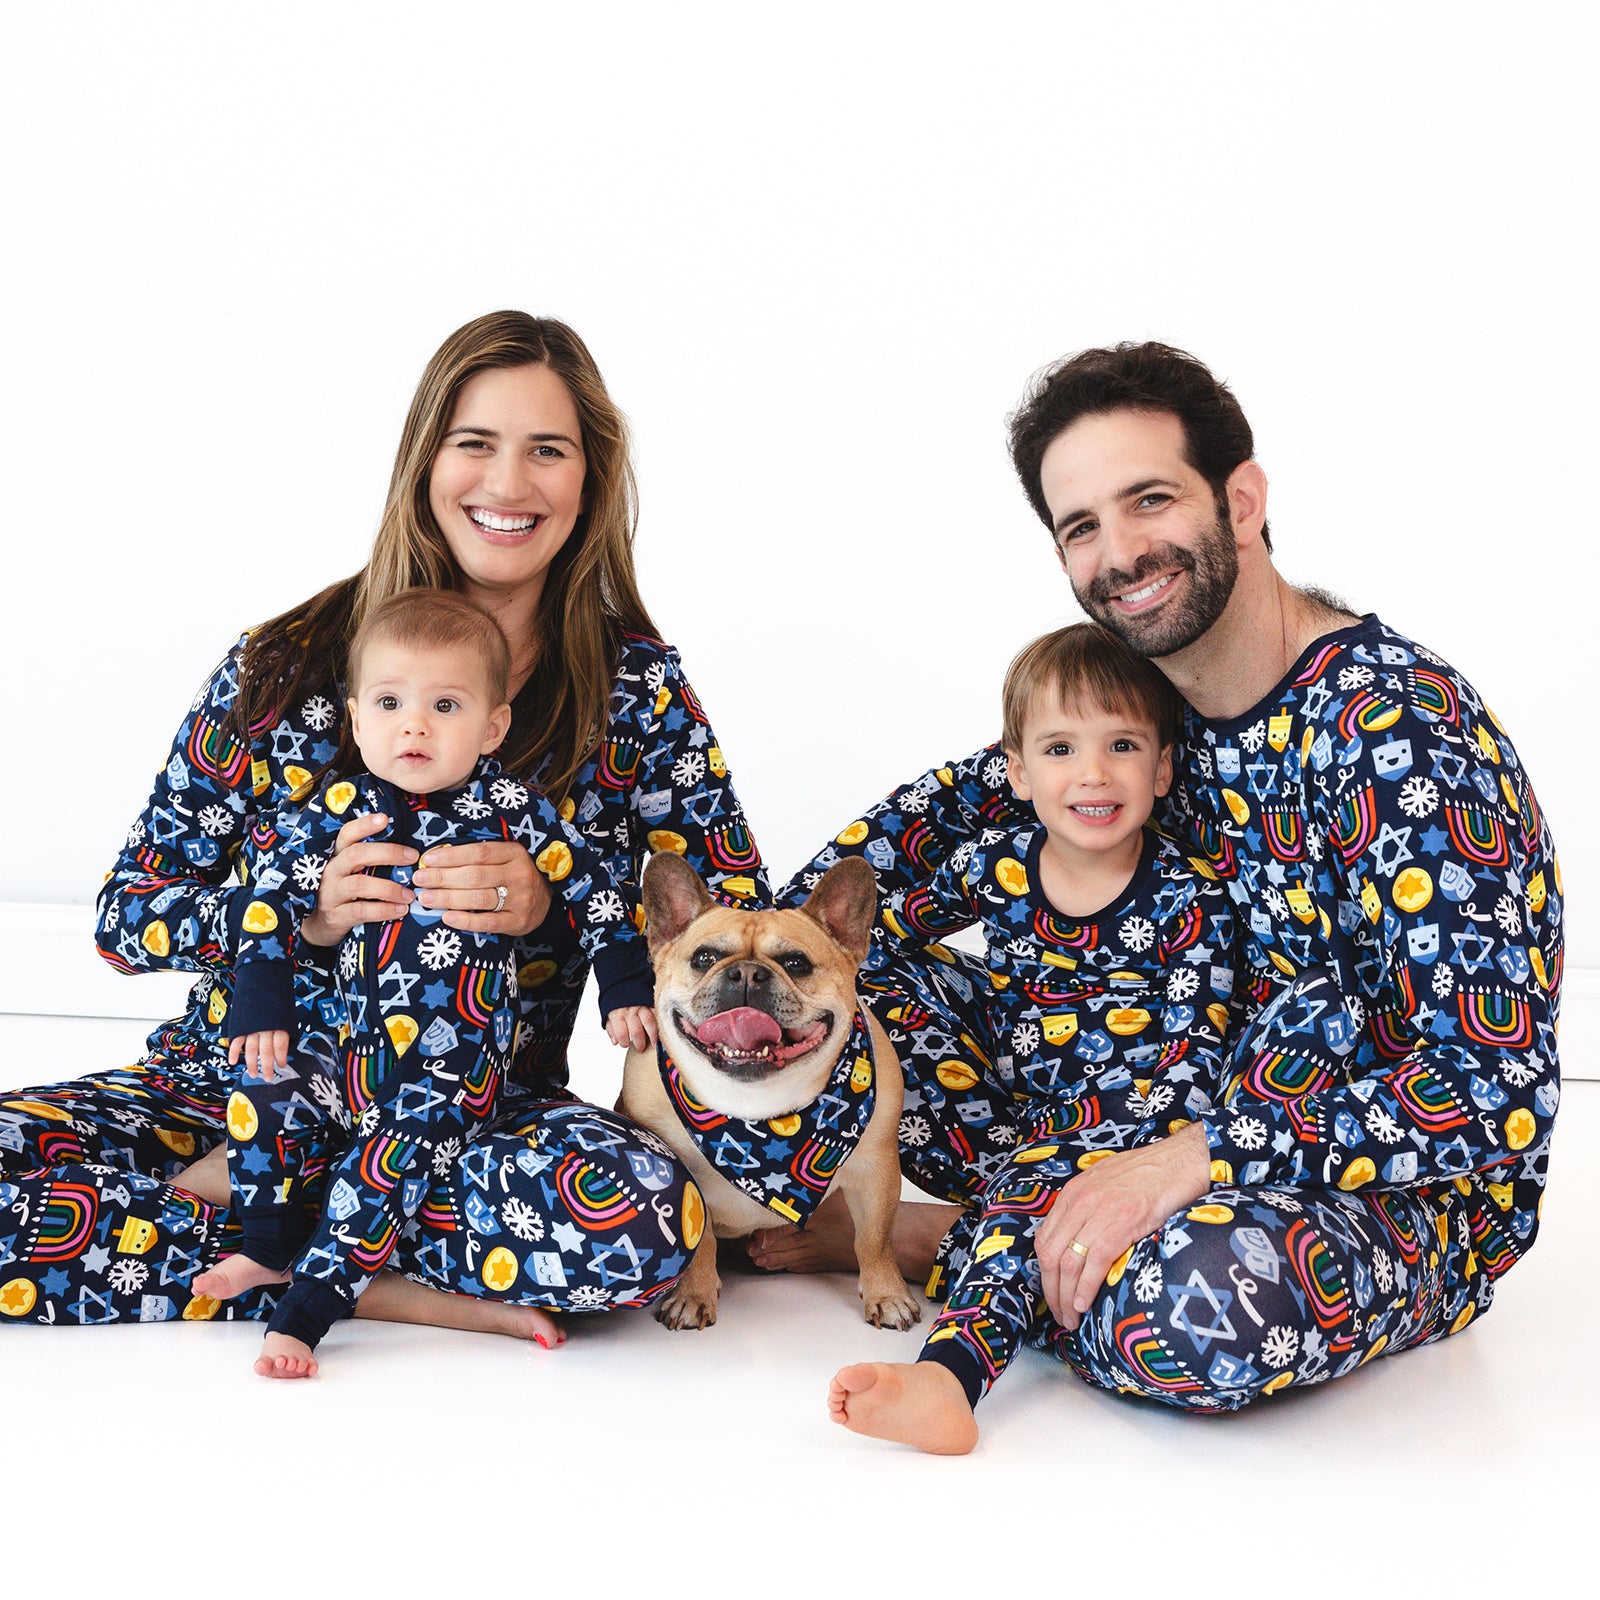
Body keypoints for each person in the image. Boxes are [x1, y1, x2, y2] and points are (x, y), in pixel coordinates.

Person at [786, 341, 1561, 1429]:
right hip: (1116, 1106)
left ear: (1240, 500)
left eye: (1148, 499)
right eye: (1081, 526)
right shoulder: (1134, 719)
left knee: (1195, 1305)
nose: (1120, 552)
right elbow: (883, 862)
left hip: (1381, 1186)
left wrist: (1188, 1163)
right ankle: (1040, 1229)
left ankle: (964, 1246)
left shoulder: (1402, 738)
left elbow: (1494, 1098)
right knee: (818, 987)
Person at [0, 311, 765, 1344]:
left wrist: (550, 910)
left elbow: (741, 921)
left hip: (458, 1119)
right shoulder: (285, 663)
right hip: (235, 1095)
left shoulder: (639, 692)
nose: (508, 483)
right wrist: (296, 913)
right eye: (475, 443)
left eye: (548, 449)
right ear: (423, 461)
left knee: (636, 1221)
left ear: (591, 479)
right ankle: (354, 1275)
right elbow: (126, 918)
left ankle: (271, 1246)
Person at [194, 589, 657, 1377]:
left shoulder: (510, 809)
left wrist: (623, 986)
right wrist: (263, 997)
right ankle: (269, 1248)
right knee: (263, 1084)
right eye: (390, 702)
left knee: (390, 1157)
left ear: (493, 726)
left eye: (445, 704)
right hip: (348, 1059)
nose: (415, 724)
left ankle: (308, 1311)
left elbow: (600, 893)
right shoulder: (337, 810)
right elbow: (268, 902)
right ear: (355, 718)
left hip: (452, 1070)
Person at [827, 623, 1239, 1452]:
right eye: (1059, 748)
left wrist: (1080, 1156)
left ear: (1161, 770)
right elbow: (884, 941)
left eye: (1121, 745)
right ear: (1016, 770)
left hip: (1129, 1123)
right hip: (1017, 1098)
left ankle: (947, 1378)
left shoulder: (1190, 897)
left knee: (1038, 1205)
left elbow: (1196, 1060)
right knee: (855, 980)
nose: (1092, 773)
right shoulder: (999, 866)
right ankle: (927, 1210)